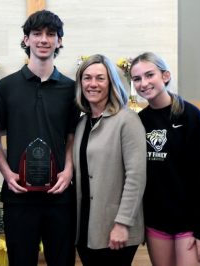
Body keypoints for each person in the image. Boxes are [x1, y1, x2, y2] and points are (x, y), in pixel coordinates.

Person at [0, 10, 79, 266]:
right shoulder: (5, 87)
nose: (44, 39)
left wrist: (68, 172)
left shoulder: (71, 89)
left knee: (62, 261)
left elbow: (72, 137)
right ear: (26, 39)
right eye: (37, 34)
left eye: (51, 34)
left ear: (59, 41)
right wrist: (7, 174)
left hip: (60, 197)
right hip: (19, 197)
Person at [130, 51, 200, 266]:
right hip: (157, 223)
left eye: (150, 75)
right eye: (137, 79)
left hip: (189, 223)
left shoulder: (192, 117)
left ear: (165, 76)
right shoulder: (140, 121)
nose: (143, 83)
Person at [73, 54, 147, 266]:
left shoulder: (127, 120)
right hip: (86, 226)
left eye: (100, 78)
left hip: (115, 228)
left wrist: (122, 223)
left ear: (111, 82)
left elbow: (136, 177)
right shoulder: (81, 124)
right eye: (87, 78)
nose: (92, 84)